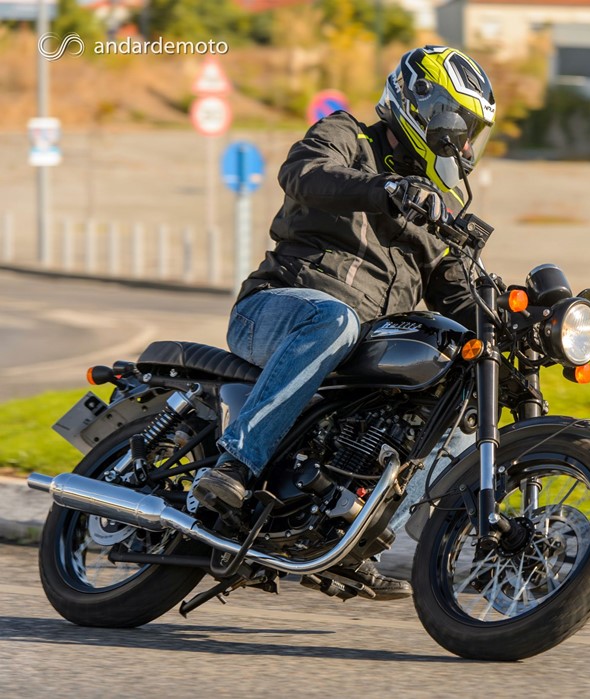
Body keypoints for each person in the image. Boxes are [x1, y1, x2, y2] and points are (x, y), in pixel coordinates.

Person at [190, 45, 496, 597]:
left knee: (457, 390)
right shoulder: (346, 137)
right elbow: (304, 174)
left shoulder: (432, 210)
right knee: (336, 319)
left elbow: (457, 291)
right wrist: (386, 190)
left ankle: (358, 536)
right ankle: (236, 464)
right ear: (421, 108)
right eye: (460, 128)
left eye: (474, 134)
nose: (466, 146)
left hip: (355, 346)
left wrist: (519, 320)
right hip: (279, 308)